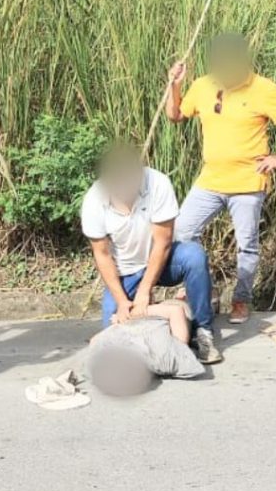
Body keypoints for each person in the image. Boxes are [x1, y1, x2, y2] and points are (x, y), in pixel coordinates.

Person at [166, 33, 276, 323]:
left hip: (248, 182)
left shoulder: (262, 88)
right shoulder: (203, 85)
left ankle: (241, 300)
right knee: (182, 230)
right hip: (210, 180)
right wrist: (175, 85)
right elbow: (175, 115)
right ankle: (205, 288)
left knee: (246, 244)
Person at [81, 144, 222, 364]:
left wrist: (144, 292)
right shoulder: (94, 199)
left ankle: (203, 331)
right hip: (126, 271)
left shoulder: (158, 183)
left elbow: (163, 243)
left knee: (194, 256)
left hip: (163, 261)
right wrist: (122, 301)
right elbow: (102, 255)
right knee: (114, 325)